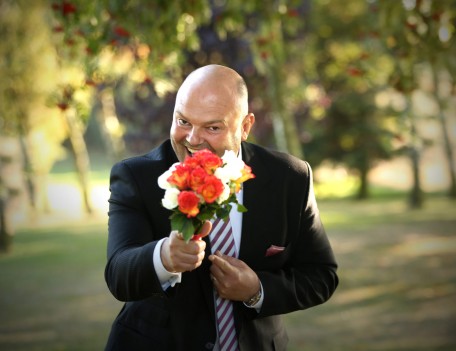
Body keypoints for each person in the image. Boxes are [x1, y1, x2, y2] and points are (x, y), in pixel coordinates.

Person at [104, 64, 338, 351]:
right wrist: (164, 257)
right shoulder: (135, 177)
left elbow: (321, 275)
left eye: (212, 127)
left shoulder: (290, 178)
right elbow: (118, 274)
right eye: (183, 121)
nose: (192, 139)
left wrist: (256, 290)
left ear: (245, 127)